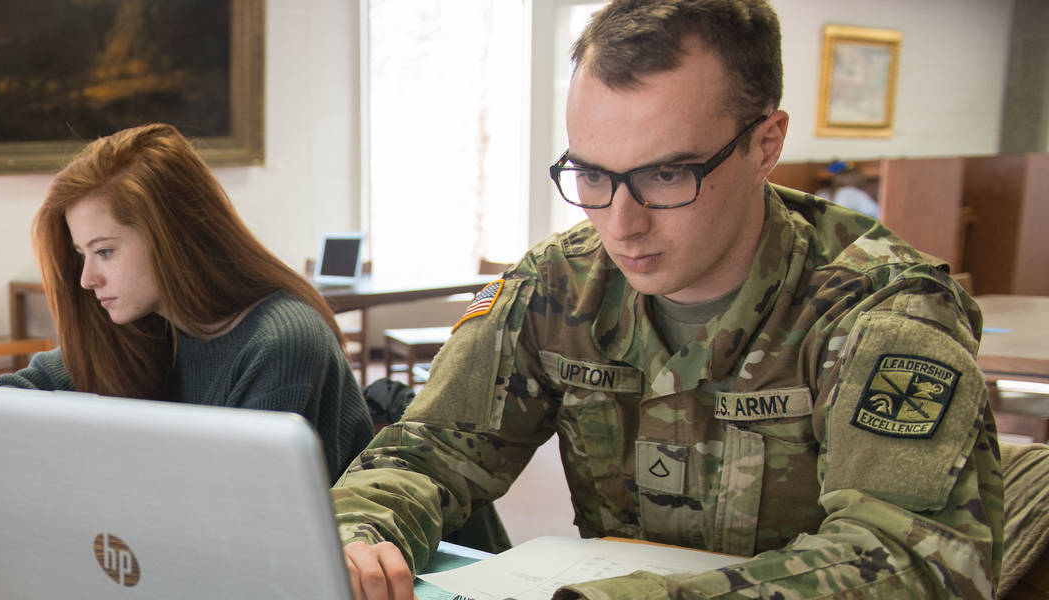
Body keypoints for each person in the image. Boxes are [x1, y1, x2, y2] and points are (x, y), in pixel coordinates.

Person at [334, 1, 1000, 598]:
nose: (620, 224)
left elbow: (912, 562)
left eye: (666, 173)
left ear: (765, 145)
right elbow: (430, 452)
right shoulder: (558, 285)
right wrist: (360, 530)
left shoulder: (879, 312)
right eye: (592, 173)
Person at [0, 123, 372, 476]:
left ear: (171, 238)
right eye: (82, 254)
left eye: (105, 252)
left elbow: (241, 513)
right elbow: (6, 404)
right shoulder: (146, 324)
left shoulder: (281, 342)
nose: (87, 279)